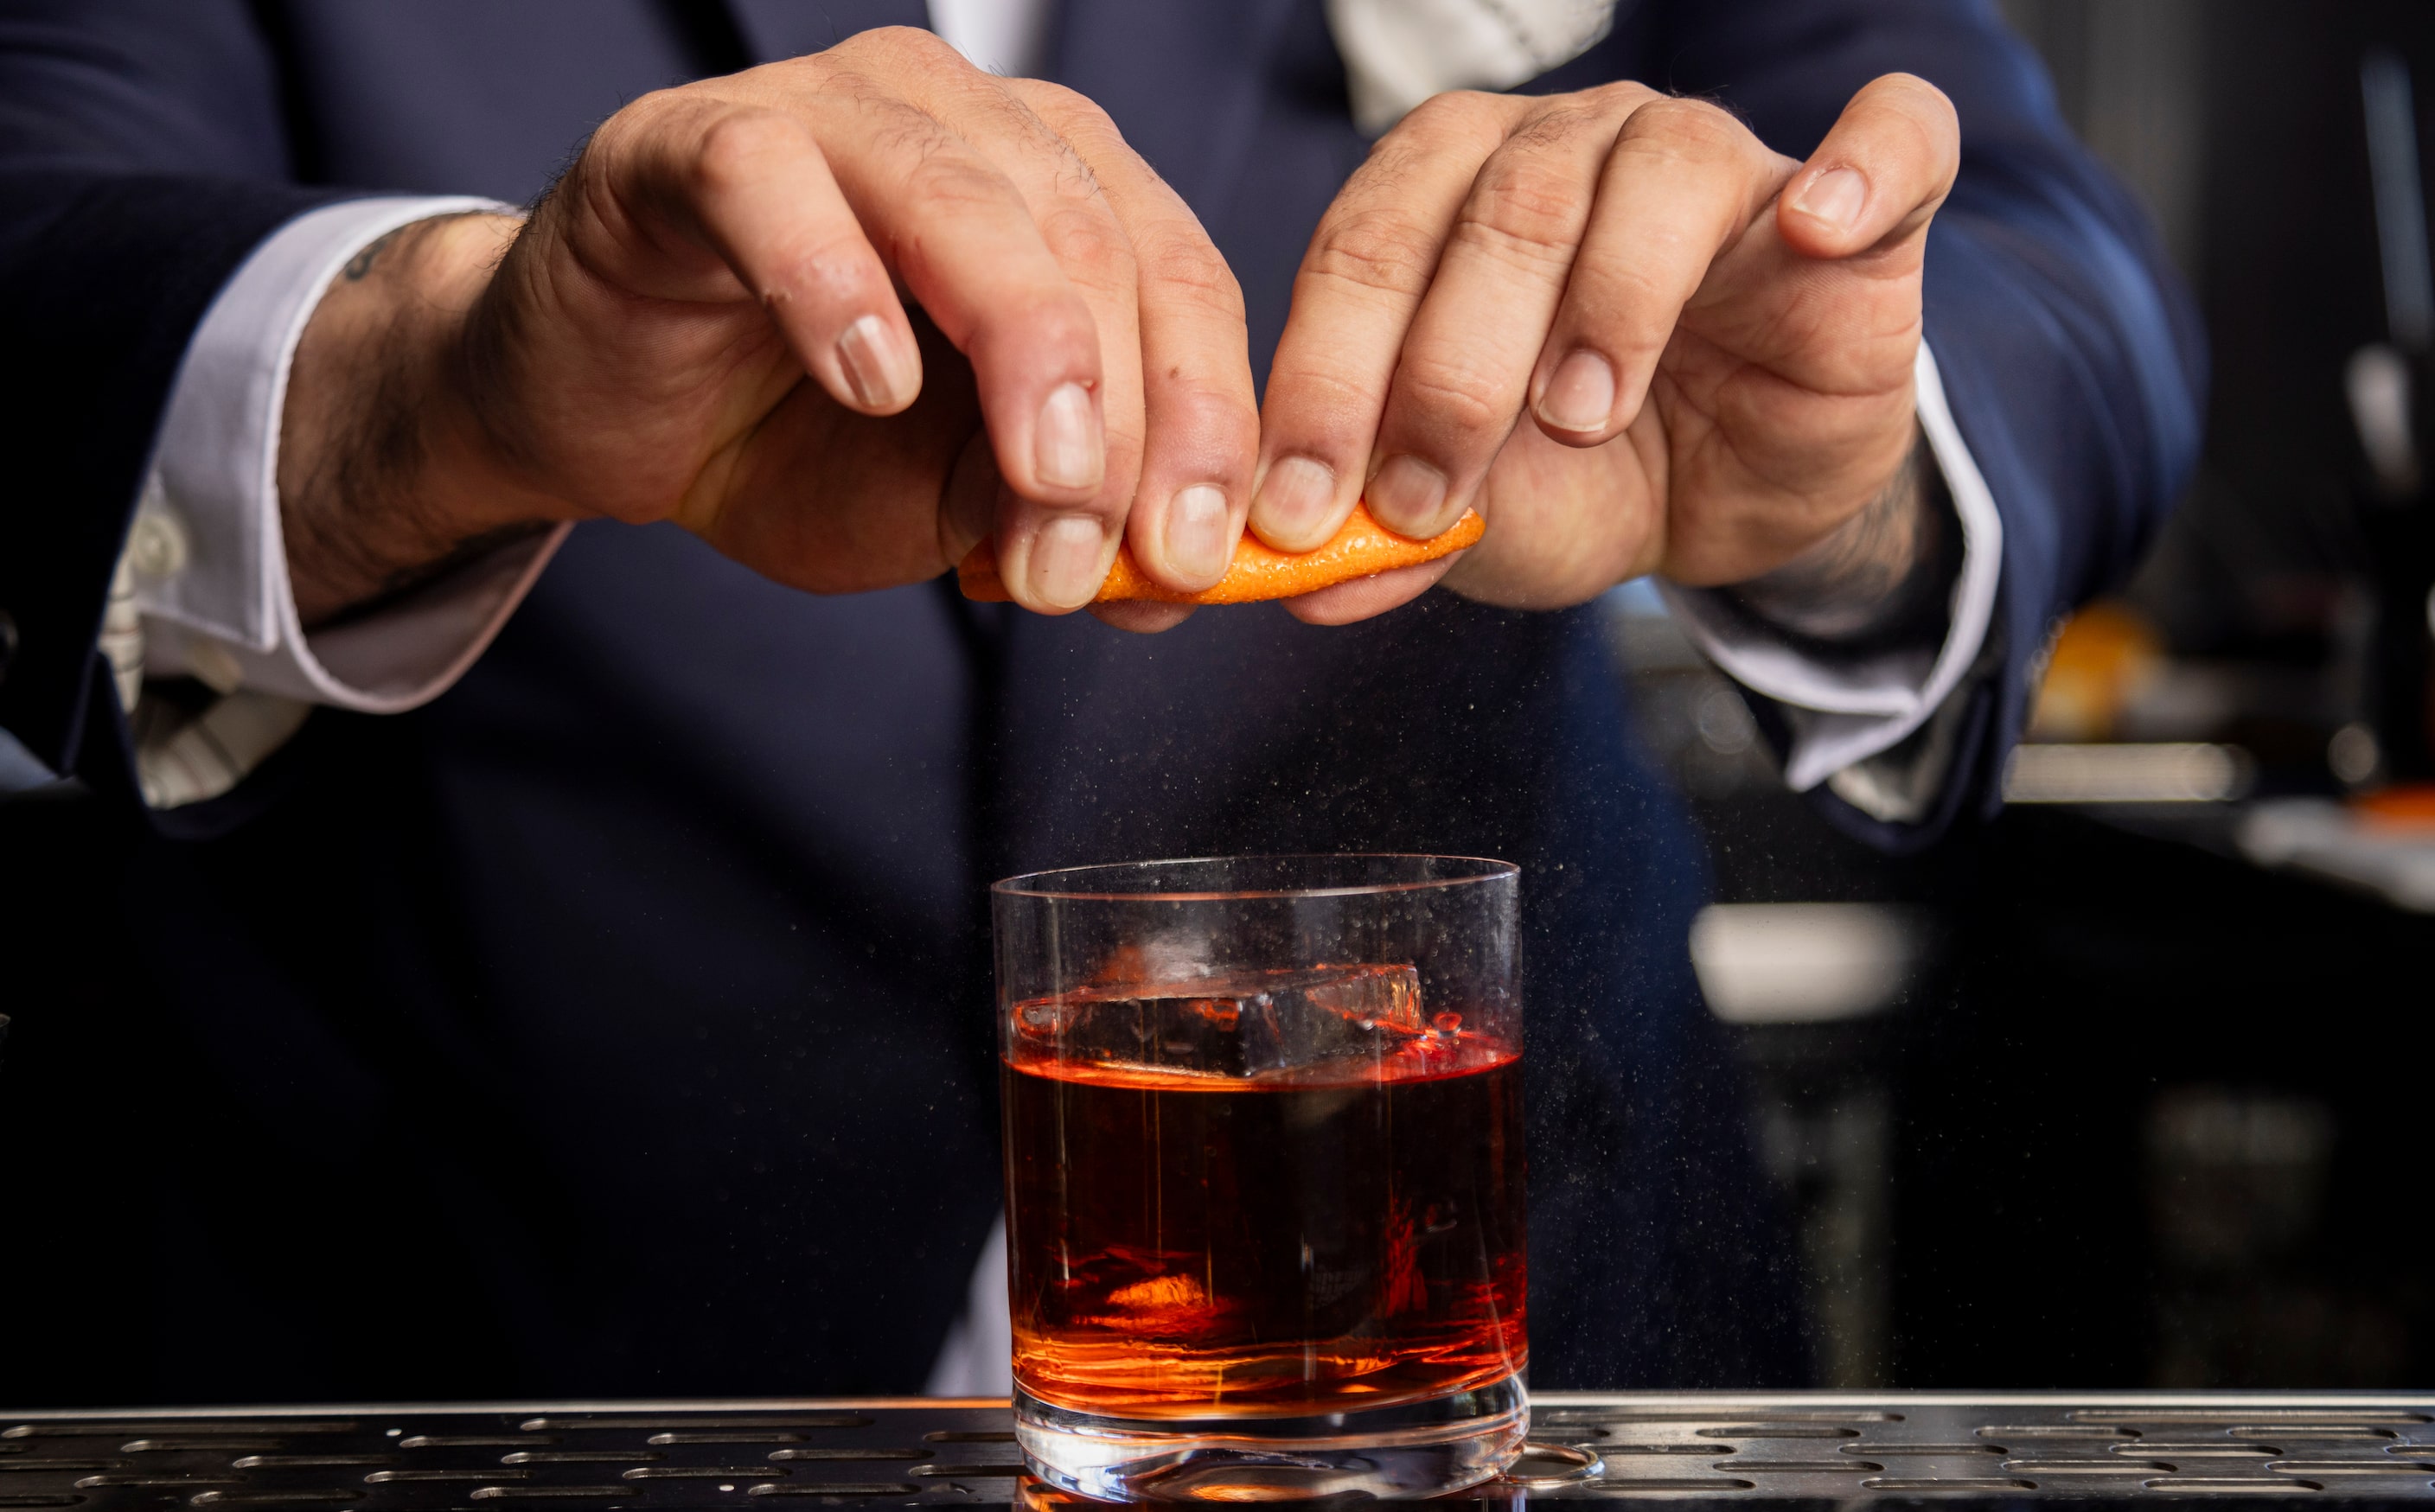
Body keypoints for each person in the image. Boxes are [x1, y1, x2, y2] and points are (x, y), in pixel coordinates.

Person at [0, 0, 2199, 1403]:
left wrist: (1857, 459)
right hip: (491, 1395)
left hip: (1474, 1408)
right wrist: (443, 381)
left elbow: (2060, 281)